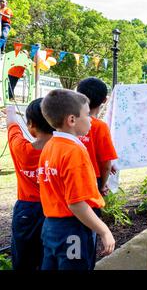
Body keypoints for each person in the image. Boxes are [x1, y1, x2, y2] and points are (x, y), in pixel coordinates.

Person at [38, 89, 115, 270]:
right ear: (72, 120)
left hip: (50, 226)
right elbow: (76, 204)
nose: (90, 119)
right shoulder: (74, 152)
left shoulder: (50, 147)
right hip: (73, 229)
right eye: (87, 115)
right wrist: (104, 231)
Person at [6, 100, 54, 270]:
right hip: (54, 210)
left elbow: (12, 126)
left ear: (31, 124)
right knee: (48, 256)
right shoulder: (63, 151)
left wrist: (11, 111)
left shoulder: (21, 149)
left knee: (22, 257)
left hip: (26, 210)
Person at [76, 77, 118, 196]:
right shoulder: (100, 127)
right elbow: (106, 165)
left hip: (70, 178)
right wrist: (102, 185)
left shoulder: (68, 122)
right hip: (92, 180)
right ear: (105, 100)